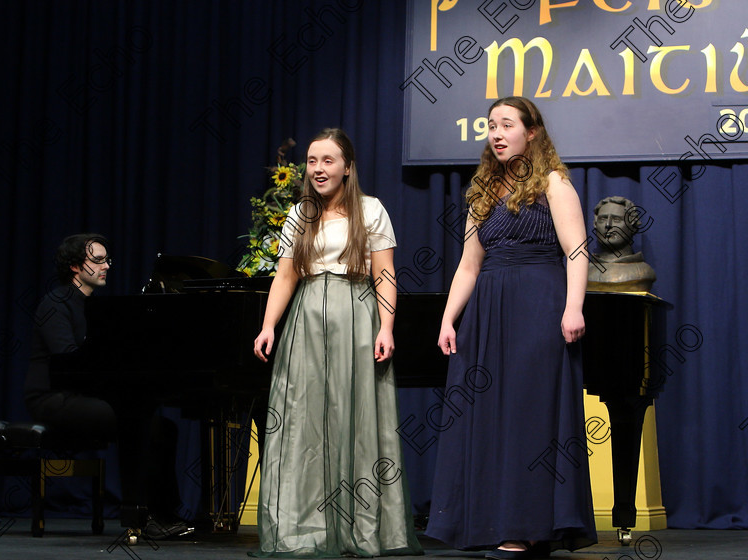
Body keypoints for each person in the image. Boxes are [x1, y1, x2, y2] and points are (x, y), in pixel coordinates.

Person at [426, 98, 597, 559]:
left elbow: (577, 251)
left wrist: (573, 307)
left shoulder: (554, 183)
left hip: (539, 306)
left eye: (507, 125)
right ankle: (502, 522)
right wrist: (448, 317)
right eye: (491, 126)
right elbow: (467, 266)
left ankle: (527, 529)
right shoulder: (484, 193)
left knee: (529, 417)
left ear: (533, 133)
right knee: (492, 418)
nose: (496, 134)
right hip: (487, 313)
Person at [252, 128, 423, 557]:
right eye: (312, 161)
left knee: (358, 420)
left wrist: (386, 327)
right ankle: (305, 528)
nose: (318, 169)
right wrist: (269, 325)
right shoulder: (300, 214)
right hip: (306, 322)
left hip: (355, 316)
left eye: (328, 161)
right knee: (303, 422)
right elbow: (286, 275)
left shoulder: (371, 210)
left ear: (347, 167)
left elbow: (384, 274)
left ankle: (358, 527)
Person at [23, 233, 188, 539]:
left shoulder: (96, 307)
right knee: (138, 425)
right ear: (75, 267)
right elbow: (67, 362)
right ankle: (140, 515)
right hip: (53, 397)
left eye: (107, 260)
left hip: (83, 392)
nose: (106, 266)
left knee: (164, 428)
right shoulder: (55, 304)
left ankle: (165, 512)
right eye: (98, 260)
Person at [587, 196, 656, 292]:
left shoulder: (643, 272)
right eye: (603, 219)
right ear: (595, 224)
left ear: (633, 226)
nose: (608, 225)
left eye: (616, 220)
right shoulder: (583, 272)